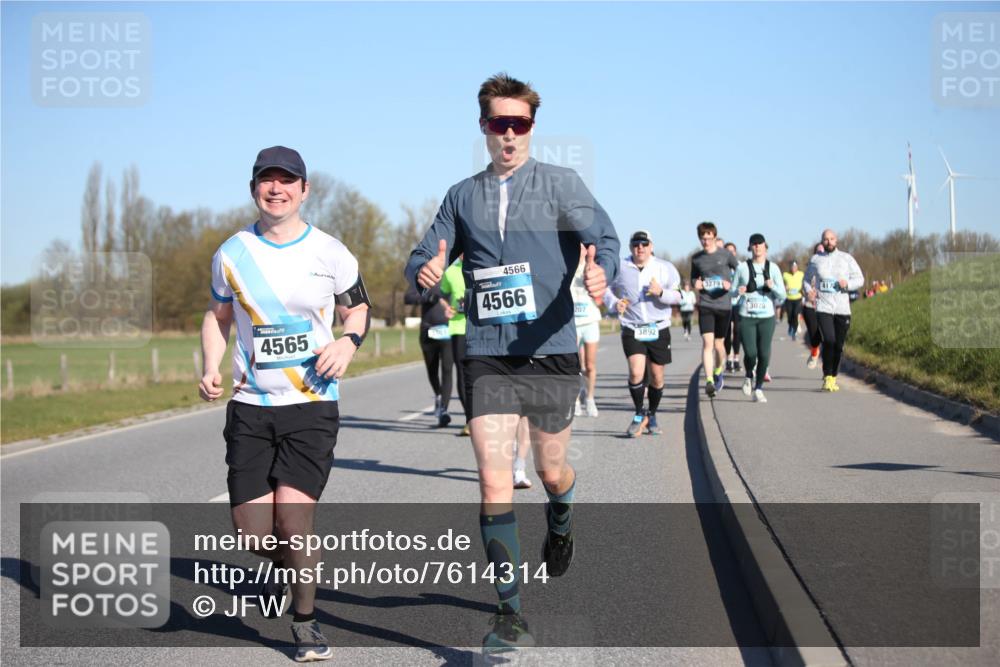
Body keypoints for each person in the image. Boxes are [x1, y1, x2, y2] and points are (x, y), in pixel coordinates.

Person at [404, 73, 620, 654]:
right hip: (488, 355)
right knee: (495, 479)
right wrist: (422, 269)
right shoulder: (461, 194)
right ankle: (509, 614)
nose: (509, 134)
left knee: (551, 473)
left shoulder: (560, 184)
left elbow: (605, 237)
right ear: (483, 127)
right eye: (499, 123)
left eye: (519, 124)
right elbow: (426, 251)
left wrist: (603, 272)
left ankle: (562, 515)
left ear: (531, 127)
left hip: (550, 351)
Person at [199, 146, 371, 662]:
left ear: (305, 189)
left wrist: (348, 341)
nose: (277, 189)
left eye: (287, 181)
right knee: (252, 533)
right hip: (250, 406)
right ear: (254, 188)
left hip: (311, 405)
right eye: (267, 181)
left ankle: (305, 621)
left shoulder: (331, 252)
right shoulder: (231, 253)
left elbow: (358, 307)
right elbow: (218, 316)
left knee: (293, 525)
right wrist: (210, 364)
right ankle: (292, 567)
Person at [605, 230, 681, 436]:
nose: (640, 248)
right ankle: (639, 414)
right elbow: (606, 288)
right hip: (632, 326)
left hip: (658, 327)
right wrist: (614, 303)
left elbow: (678, 296)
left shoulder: (665, 268)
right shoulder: (620, 267)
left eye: (644, 244)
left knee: (656, 377)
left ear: (651, 247)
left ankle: (652, 414)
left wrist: (661, 293)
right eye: (636, 244)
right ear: (631, 247)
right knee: (636, 372)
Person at [803, 229, 864, 391]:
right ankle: (827, 375)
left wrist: (848, 284)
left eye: (831, 239)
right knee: (828, 340)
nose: (829, 242)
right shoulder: (815, 260)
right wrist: (808, 291)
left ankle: (833, 377)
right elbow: (807, 280)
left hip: (842, 308)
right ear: (822, 242)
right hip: (823, 306)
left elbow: (860, 279)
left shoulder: (846, 258)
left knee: (838, 345)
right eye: (825, 239)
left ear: (836, 240)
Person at [732, 234, 786, 402]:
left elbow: (782, 296)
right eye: (754, 244)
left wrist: (773, 287)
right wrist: (738, 293)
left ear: (765, 247)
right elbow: (731, 296)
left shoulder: (774, 268)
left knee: (764, 354)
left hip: (767, 317)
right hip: (746, 316)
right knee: (751, 352)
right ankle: (749, 375)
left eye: (760, 244)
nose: (757, 247)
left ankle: (759, 388)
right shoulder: (742, 268)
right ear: (750, 247)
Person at [690, 222, 739, 397]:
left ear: (714, 237)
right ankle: (709, 380)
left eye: (709, 238)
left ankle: (719, 370)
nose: (706, 242)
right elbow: (693, 280)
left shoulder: (726, 255)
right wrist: (697, 284)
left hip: (724, 306)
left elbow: (740, 273)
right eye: (702, 239)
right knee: (707, 343)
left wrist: (731, 284)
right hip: (706, 305)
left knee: (719, 345)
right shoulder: (696, 258)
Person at [405, 281, 453, 427]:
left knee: (447, 370)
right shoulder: (423, 279)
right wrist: (427, 297)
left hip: (448, 330)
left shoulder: (450, 276)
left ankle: (443, 410)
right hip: (428, 330)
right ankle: (438, 394)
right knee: (432, 370)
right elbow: (408, 298)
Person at [439, 256, 470, 434]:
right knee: (462, 373)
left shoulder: (484, 263)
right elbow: (442, 295)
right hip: (458, 328)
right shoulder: (450, 271)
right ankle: (470, 419)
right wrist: (447, 307)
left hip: (483, 329)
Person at [571, 244, 602, 418]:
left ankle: (589, 398)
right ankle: (575, 401)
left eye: (583, 247)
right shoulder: (566, 266)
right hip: (573, 322)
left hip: (590, 320)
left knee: (590, 365)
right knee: (574, 365)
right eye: (578, 246)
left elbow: (600, 296)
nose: (580, 250)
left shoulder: (593, 267)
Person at [802, 242, 825, 369]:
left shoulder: (833, 268)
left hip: (827, 307)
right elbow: (804, 283)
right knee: (814, 335)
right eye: (818, 251)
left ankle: (827, 368)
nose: (821, 253)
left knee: (827, 337)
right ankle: (815, 351)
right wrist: (808, 292)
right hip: (810, 306)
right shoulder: (811, 267)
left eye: (823, 251)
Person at [722, 241, 743, 375]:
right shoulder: (721, 267)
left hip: (739, 303)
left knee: (737, 331)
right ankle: (728, 359)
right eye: (727, 251)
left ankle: (736, 358)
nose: (730, 253)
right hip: (725, 303)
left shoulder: (741, 266)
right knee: (727, 333)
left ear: (735, 253)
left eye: (732, 251)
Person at [782, 260, 804, 340]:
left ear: (797, 267)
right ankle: (790, 326)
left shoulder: (801, 274)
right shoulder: (785, 275)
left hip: (798, 298)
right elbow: (781, 284)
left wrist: (803, 289)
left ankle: (794, 331)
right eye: (792, 266)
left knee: (795, 314)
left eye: (795, 266)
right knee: (790, 315)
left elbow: (805, 283)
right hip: (788, 298)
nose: (793, 268)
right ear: (790, 267)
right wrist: (784, 286)